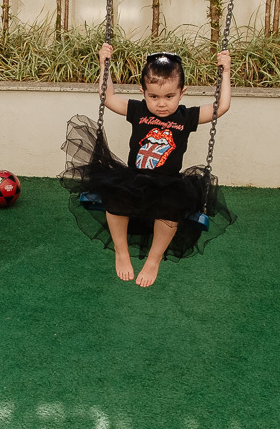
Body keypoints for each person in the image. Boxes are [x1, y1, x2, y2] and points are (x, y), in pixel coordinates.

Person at [61, 44, 236, 287]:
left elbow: (221, 107)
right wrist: (104, 65)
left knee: (170, 209)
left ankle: (154, 259)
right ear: (143, 92)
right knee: (116, 198)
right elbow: (107, 98)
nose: (161, 104)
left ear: (182, 93)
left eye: (169, 96)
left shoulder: (187, 117)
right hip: (134, 177)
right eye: (153, 96)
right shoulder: (138, 110)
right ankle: (121, 252)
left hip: (169, 182)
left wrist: (225, 71)